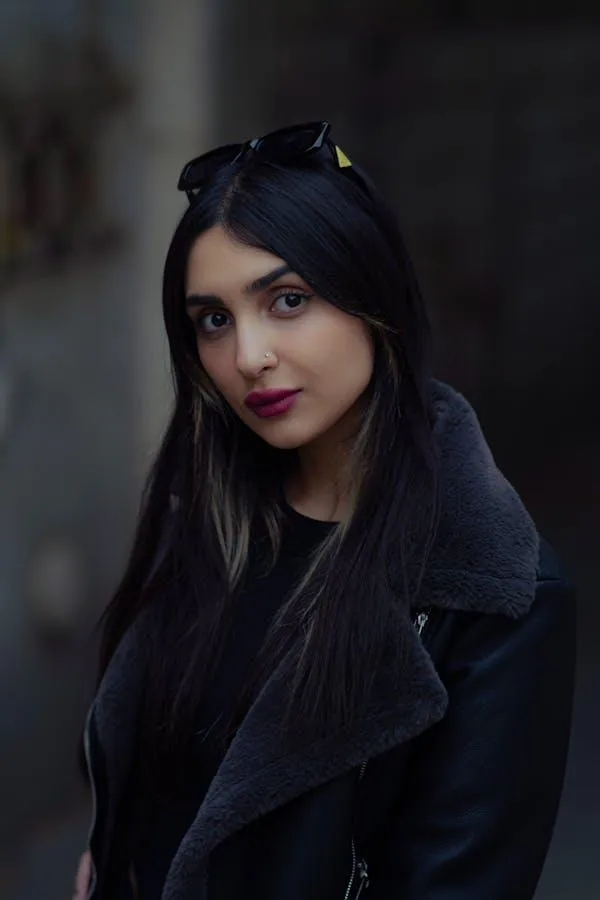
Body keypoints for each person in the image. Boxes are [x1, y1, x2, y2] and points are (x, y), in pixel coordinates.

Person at [74, 121, 576, 900]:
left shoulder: (495, 593)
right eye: (213, 319)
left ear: (374, 299)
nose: (247, 357)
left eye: (287, 300)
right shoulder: (208, 513)